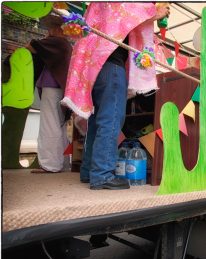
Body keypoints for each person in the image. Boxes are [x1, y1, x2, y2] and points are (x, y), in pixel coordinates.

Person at [62, 3, 170, 189]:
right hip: (110, 62)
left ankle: (89, 170)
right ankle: (102, 174)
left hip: (95, 62)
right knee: (111, 118)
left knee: (98, 119)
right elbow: (128, 11)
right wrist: (155, 11)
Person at [27, 15, 73, 173]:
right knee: (59, 126)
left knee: (49, 125)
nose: (50, 30)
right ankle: (62, 163)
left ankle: (50, 165)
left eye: (52, 27)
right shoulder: (65, 44)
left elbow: (31, 47)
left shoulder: (56, 41)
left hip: (52, 87)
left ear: (58, 29)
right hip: (60, 88)